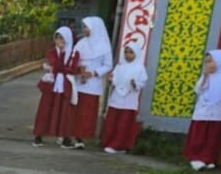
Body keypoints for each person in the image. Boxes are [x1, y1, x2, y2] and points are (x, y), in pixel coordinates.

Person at [60, 16, 113, 150]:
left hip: (93, 83)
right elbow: (73, 58)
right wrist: (77, 69)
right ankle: (69, 135)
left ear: (95, 28)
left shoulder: (105, 46)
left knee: (86, 112)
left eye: (86, 27)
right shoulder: (81, 43)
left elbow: (108, 65)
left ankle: (81, 137)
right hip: (78, 82)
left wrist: (93, 73)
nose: (83, 29)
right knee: (74, 110)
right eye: (83, 27)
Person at [183, 49, 221, 172]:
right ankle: (195, 158)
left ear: (220, 62)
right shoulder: (206, 76)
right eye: (206, 62)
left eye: (211, 61)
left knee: (212, 137)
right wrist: (205, 76)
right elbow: (198, 90)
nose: (208, 64)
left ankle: (208, 158)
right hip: (202, 112)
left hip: (217, 113)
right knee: (199, 135)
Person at [101, 42, 148, 154]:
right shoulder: (120, 65)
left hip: (129, 100)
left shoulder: (140, 68)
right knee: (112, 122)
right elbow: (114, 79)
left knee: (123, 124)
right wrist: (111, 79)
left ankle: (118, 145)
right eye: (126, 52)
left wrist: (134, 83)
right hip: (117, 98)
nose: (128, 55)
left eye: (131, 52)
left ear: (136, 54)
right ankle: (108, 142)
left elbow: (142, 82)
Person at [32, 27, 74, 147]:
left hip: (65, 85)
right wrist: (62, 59)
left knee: (65, 111)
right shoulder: (52, 51)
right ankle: (38, 136)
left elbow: (73, 68)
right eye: (57, 38)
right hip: (52, 85)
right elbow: (56, 65)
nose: (60, 40)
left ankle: (65, 138)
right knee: (45, 109)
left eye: (62, 38)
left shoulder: (73, 53)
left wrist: (62, 66)